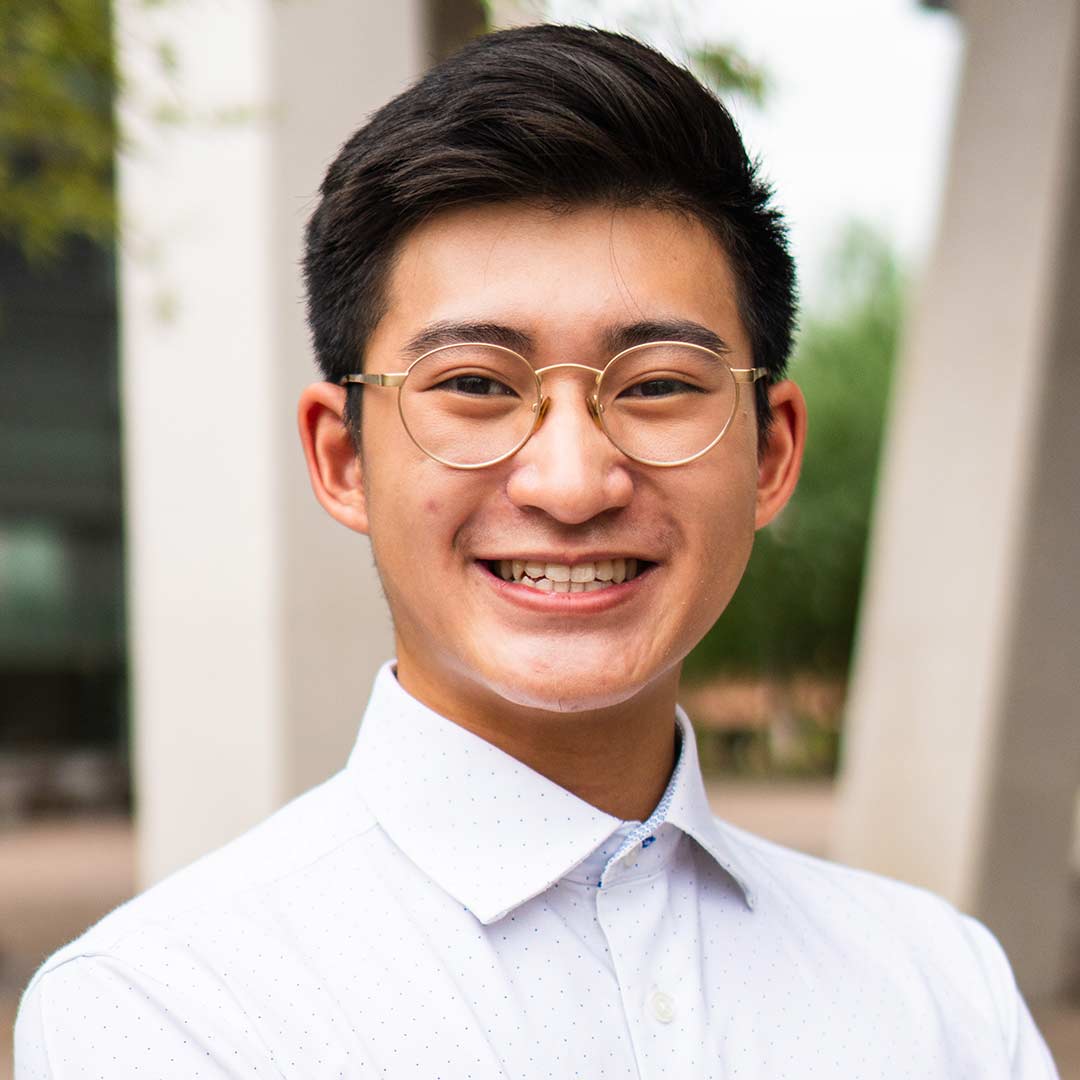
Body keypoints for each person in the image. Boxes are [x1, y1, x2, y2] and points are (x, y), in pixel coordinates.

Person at [16, 23, 1057, 1079]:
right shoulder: (164, 1011)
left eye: (656, 385)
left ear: (774, 452)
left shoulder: (940, 989)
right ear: (343, 459)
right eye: (475, 384)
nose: (571, 483)